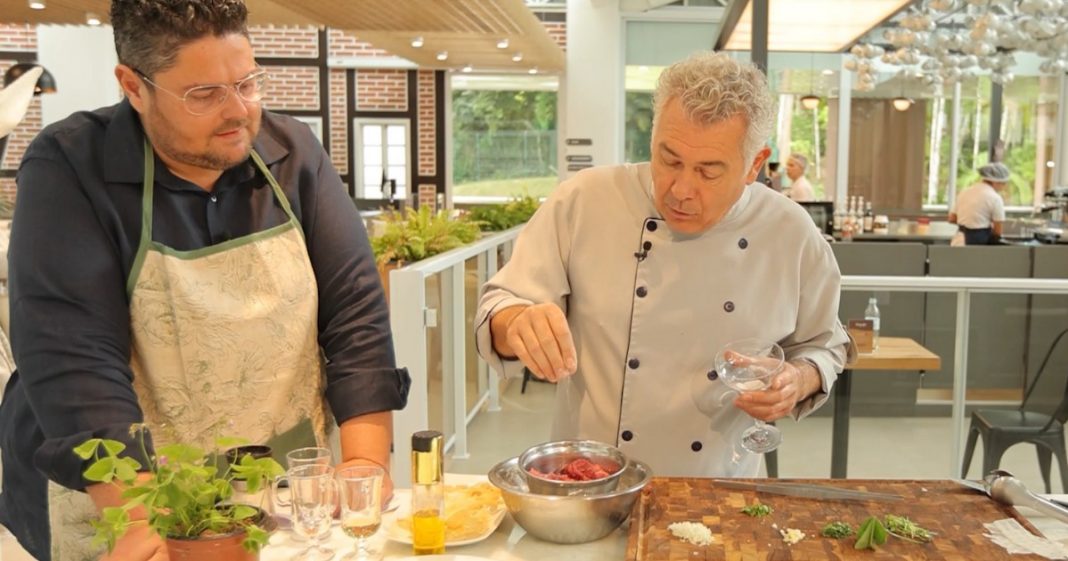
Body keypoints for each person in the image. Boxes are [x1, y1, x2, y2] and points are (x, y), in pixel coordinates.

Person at [0, 2, 410, 560]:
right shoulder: (71, 167)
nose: (238, 110)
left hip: (276, 486)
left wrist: (364, 465)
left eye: (247, 83)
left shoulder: (292, 157)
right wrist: (139, 521)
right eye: (204, 94)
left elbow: (356, 315)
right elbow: (72, 354)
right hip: (125, 495)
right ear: (133, 86)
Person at [474, 52, 851, 479]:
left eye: (708, 172)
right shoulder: (586, 200)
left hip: (721, 483)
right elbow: (501, 305)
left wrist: (798, 379)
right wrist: (518, 323)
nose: (681, 190)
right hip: (592, 479)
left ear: (754, 164)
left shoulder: (789, 231)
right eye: (669, 160)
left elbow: (827, 344)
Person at [949, 162, 1009, 246]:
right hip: (979, 241)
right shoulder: (995, 198)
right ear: (996, 182)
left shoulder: (964, 192)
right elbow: (998, 232)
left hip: (959, 240)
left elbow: (952, 218)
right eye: (1003, 183)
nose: (1004, 187)